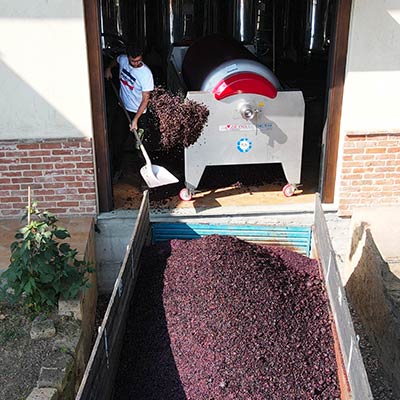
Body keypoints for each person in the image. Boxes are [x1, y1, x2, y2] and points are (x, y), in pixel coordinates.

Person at [105, 44, 154, 182]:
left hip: (139, 114)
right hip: (123, 109)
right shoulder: (123, 60)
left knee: (140, 144)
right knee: (117, 141)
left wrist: (136, 120)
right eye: (133, 61)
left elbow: (145, 100)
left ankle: (144, 175)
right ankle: (117, 170)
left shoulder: (146, 74)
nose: (136, 63)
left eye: (139, 60)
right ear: (128, 57)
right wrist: (109, 68)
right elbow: (116, 60)